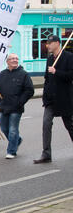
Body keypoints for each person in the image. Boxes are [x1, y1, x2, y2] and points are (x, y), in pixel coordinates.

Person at [34, 35, 73, 164]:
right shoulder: (50, 59)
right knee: (46, 124)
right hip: (51, 99)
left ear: (57, 43)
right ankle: (46, 154)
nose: (48, 45)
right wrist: (45, 96)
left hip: (64, 98)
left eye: (50, 43)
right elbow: (47, 78)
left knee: (69, 125)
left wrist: (57, 72)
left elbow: (70, 76)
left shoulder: (68, 57)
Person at [0, 53, 34, 159]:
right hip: (3, 107)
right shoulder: (2, 74)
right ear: (7, 61)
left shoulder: (24, 74)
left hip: (16, 108)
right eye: (12, 59)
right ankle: (17, 140)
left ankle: (11, 151)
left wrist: (20, 102)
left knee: (13, 129)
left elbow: (29, 90)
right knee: (4, 128)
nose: (15, 60)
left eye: (16, 59)